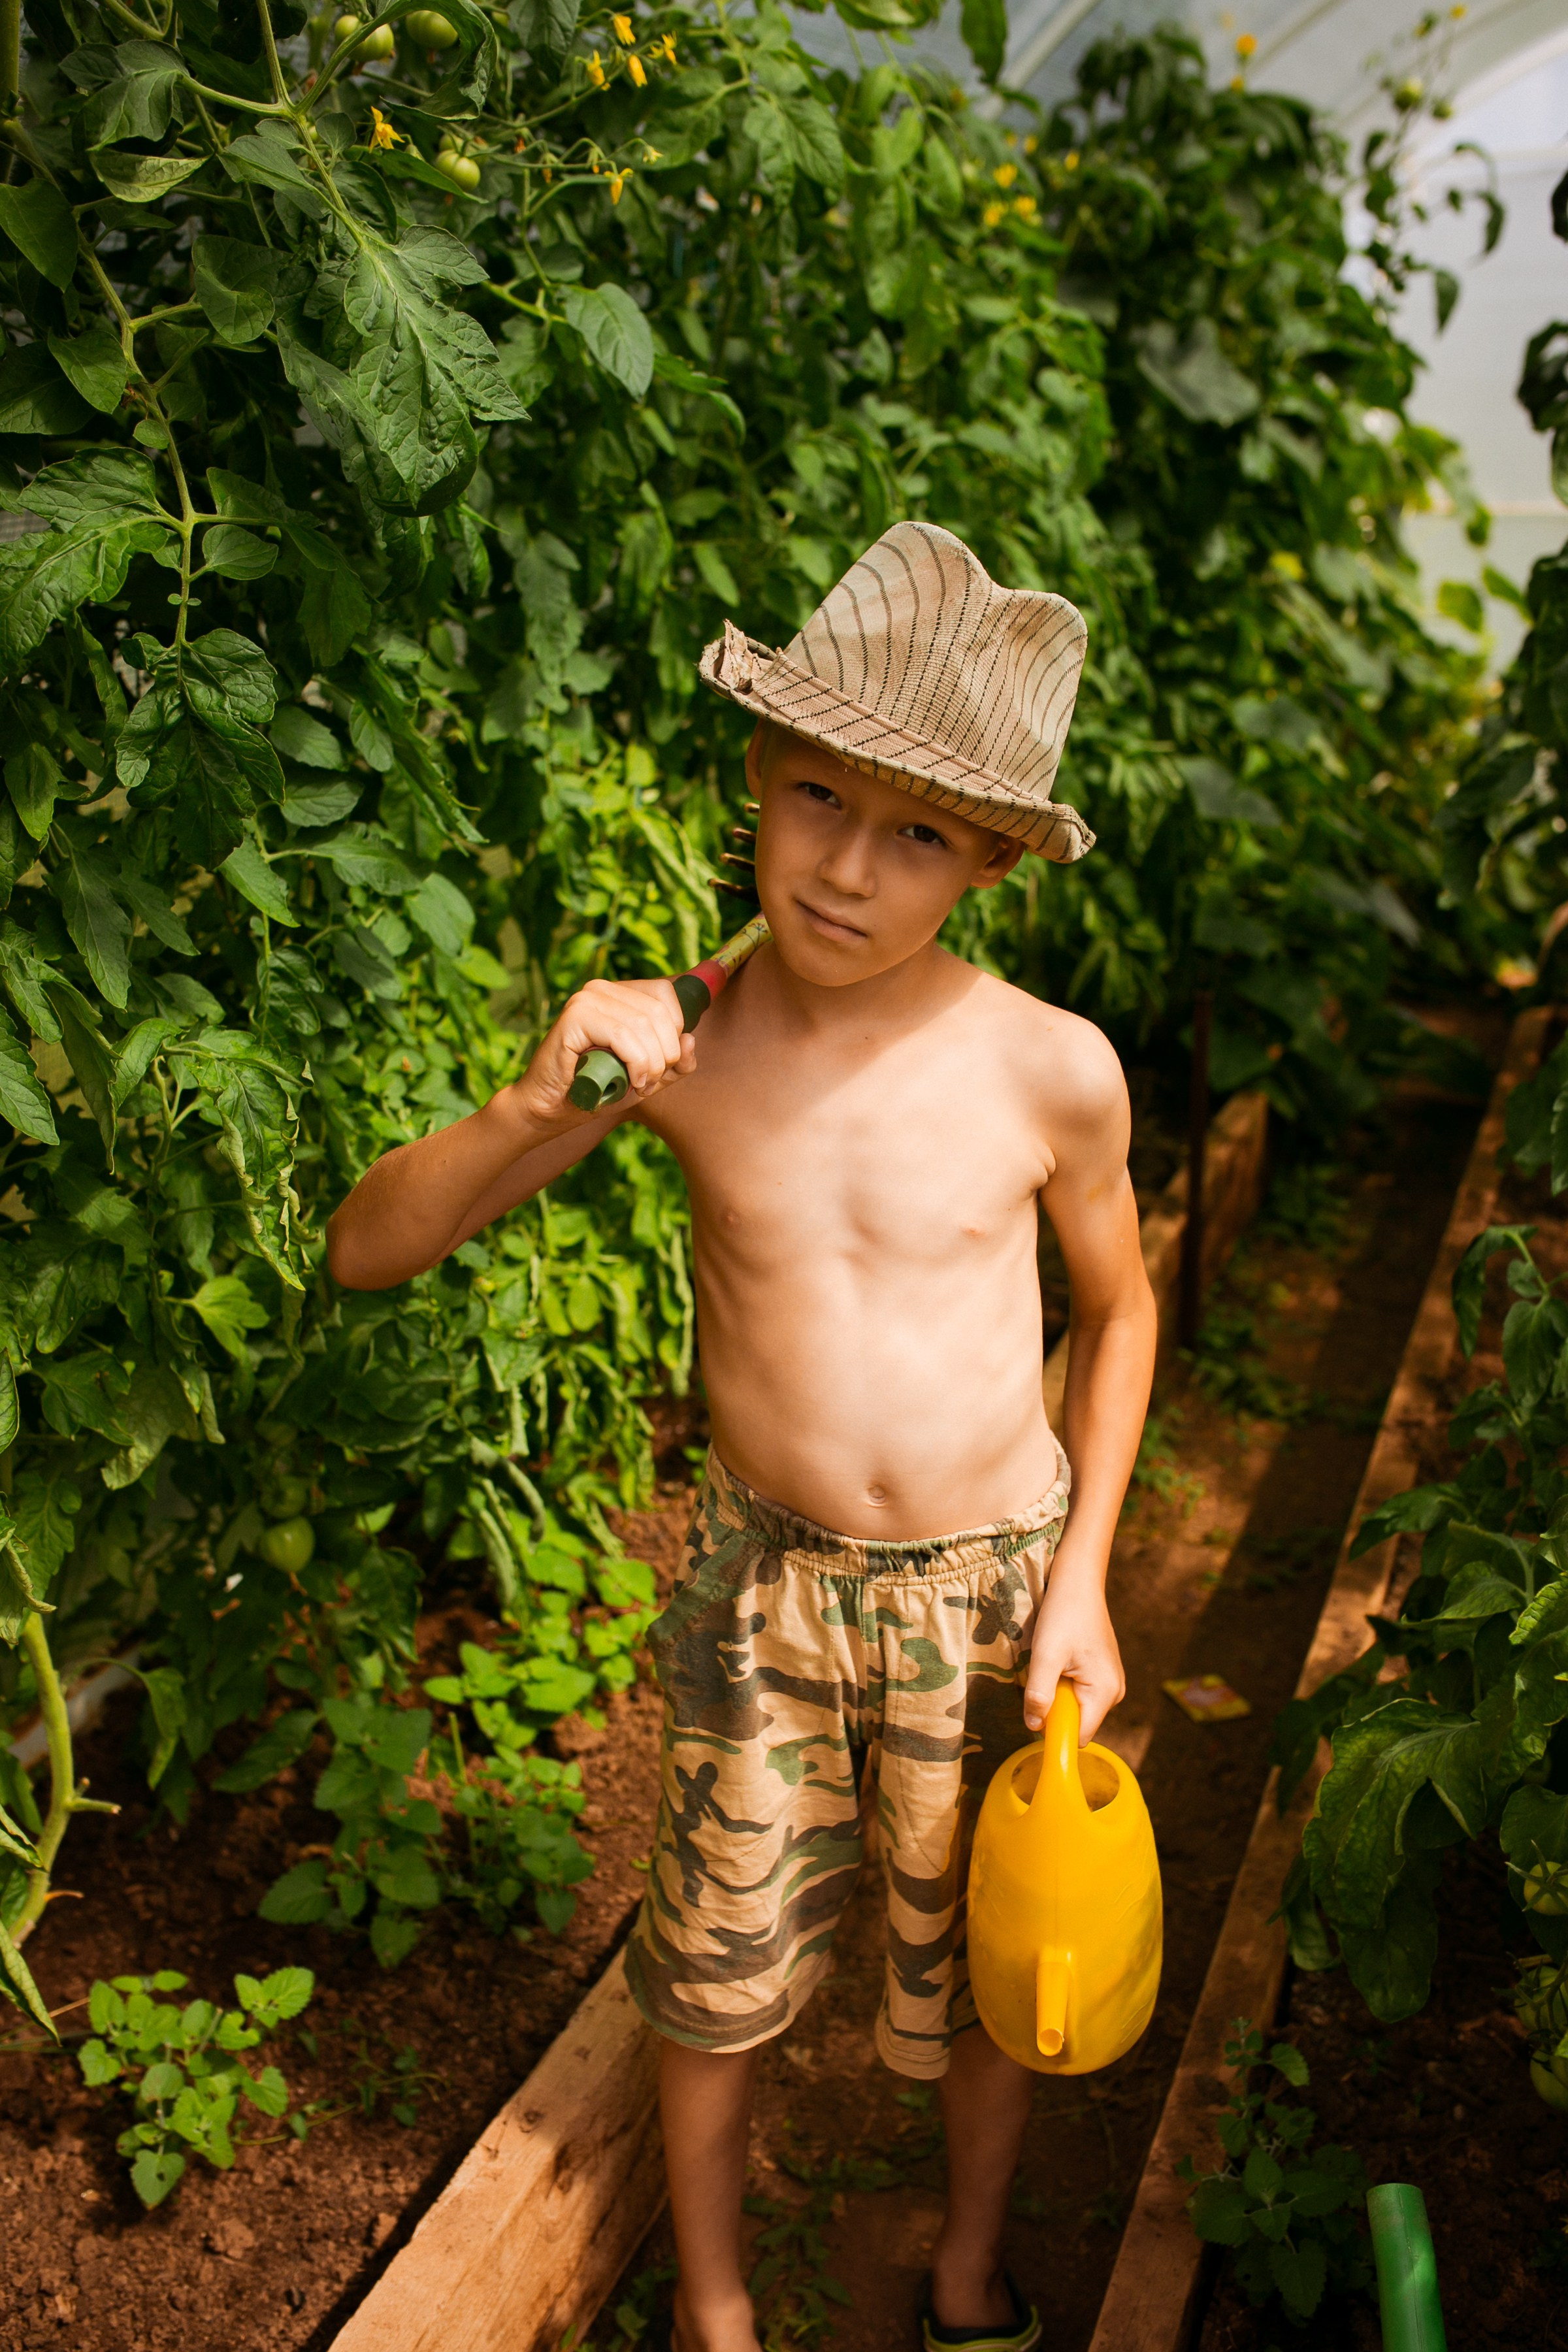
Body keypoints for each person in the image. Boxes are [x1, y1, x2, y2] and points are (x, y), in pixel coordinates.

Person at [327, 522, 1158, 2352]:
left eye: (918, 831)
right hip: (769, 1595)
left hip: (993, 1596)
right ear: (757, 784)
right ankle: (714, 2312)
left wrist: (1085, 1575)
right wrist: (532, 1096)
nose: (845, 869)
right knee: (710, 1980)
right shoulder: (678, 1053)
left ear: (998, 857)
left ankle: (961, 2271)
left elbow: (1123, 1308)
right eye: (809, 799)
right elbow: (370, 1248)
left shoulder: (1049, 1067)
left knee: (1002, 1971)